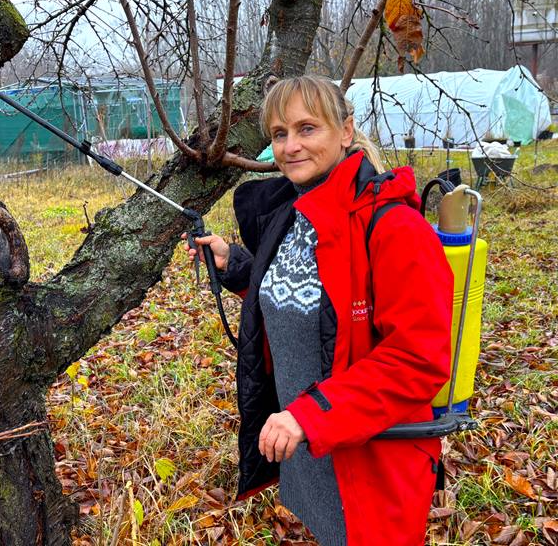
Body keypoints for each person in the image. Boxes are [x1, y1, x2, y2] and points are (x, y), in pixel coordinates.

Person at [183, 75, 454, 546]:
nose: (290, 146)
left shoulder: (395, 228)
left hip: (368, 461)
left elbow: (419, 360)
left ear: (345, 131)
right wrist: (237, 266)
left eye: (307, 129)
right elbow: (306, 307)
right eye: (279, 134)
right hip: (313, 451)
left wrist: (310, 415)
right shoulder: (294, 213)